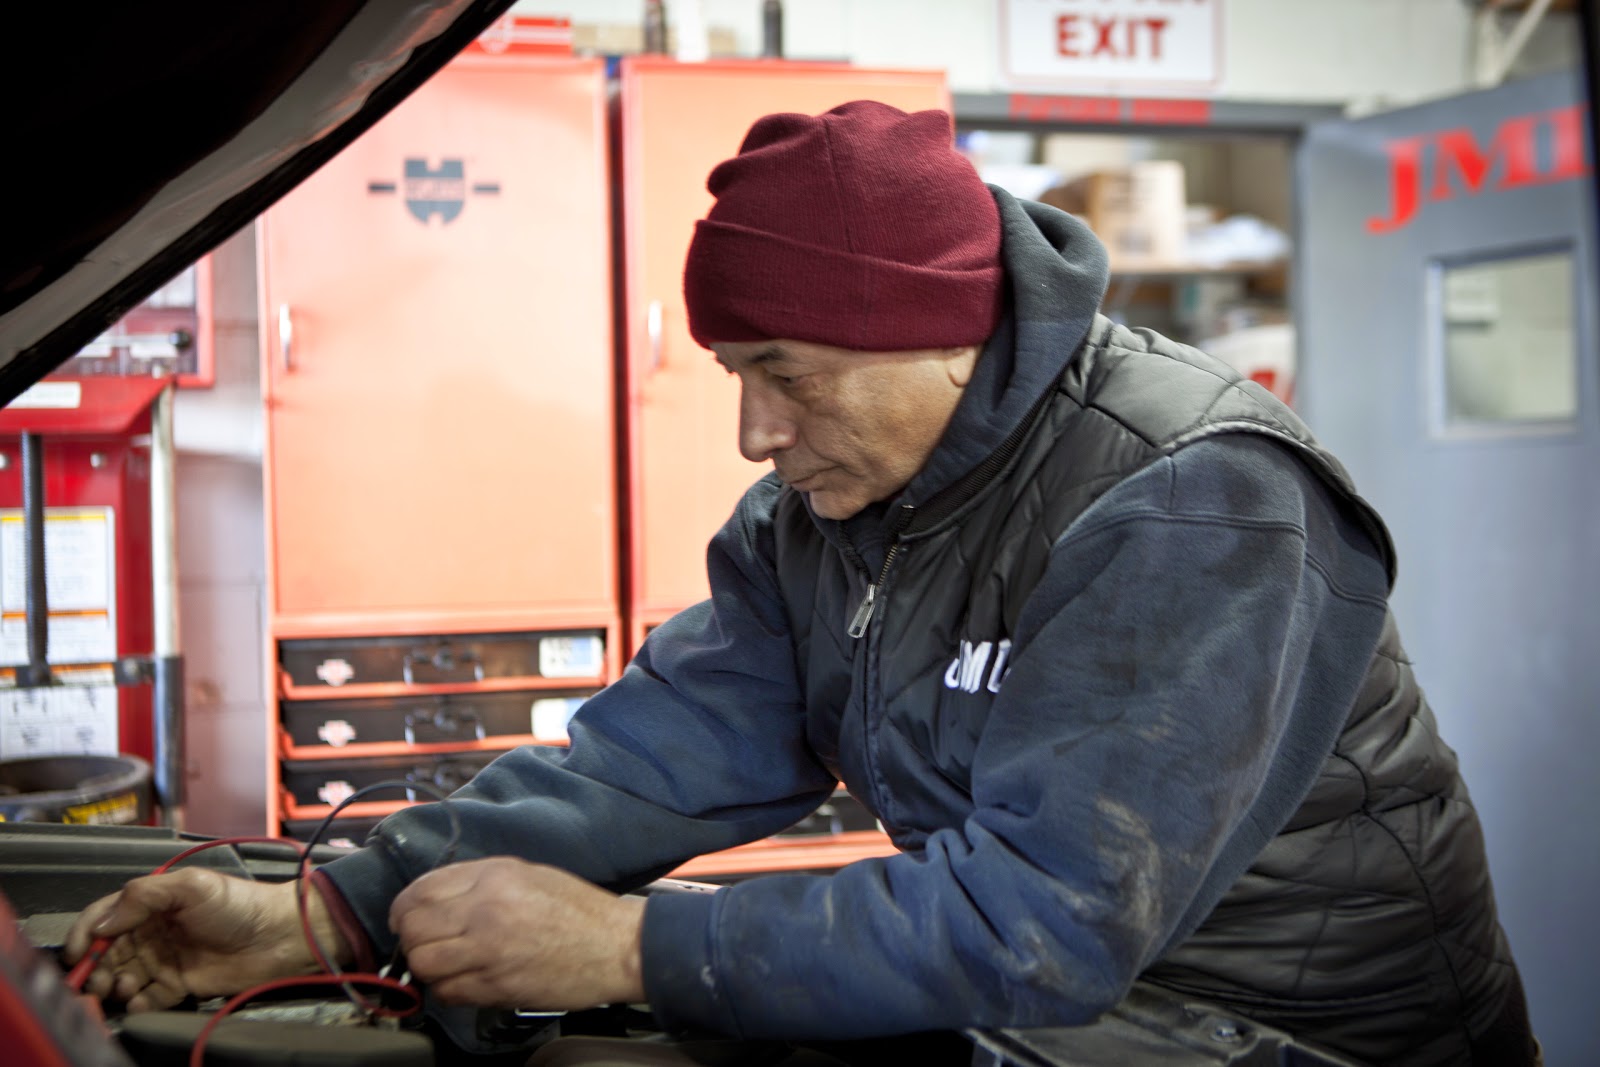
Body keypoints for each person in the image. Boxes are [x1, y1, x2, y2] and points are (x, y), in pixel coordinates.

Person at [66, 101, 1536, 1066]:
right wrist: (322, 916)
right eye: (732, 372)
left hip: (1296, 1039)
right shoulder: (820, 515)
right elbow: (651, 760)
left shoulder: (1192, 501)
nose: (753, 432)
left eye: (785, 374)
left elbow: (1052, 920)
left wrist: (633, 944)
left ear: (938, 340)